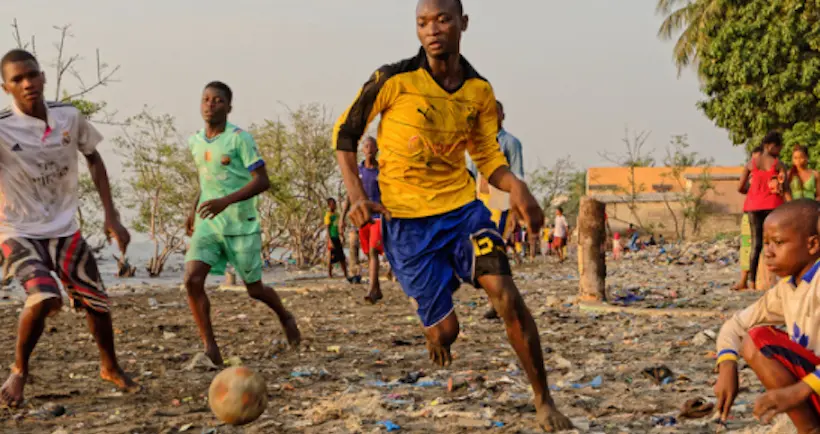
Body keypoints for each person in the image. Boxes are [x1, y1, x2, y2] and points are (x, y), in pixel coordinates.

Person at [331, 0, 572, 430]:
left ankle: (544, 401)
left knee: (507, 295)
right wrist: (356, 196)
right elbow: (346, 134)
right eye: (422, 22)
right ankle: (437, 320)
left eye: (442, 19)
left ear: (463, 23)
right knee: (446, 334)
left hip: (462, 214)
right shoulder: (392, 79)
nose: (432, 30)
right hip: (407, 226)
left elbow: (488, 158)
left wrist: (516, 185)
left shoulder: (479, 91)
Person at [0, 49, 138, 406]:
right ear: (6, 87)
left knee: (98, 301)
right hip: (17, 229)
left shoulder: (68, 117)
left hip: (63, 227)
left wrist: (111, 216)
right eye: (17, 79)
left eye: (32, 75)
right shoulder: (1, 127)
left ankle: (110, 366)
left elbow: (93, 158)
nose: (27, 83)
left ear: (43, 77)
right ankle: (19, 371)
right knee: (45, 296)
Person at [183, 81, 300, 365]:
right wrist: (193, 208)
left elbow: (262, 180)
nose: (210, 105)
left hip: (240, 224)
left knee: (254, 289)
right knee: (192, 280)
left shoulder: (240, 139)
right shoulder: (195, 141)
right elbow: (207, 179)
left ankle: (285, 316)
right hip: (208, 223)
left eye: (218, 100)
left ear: (229, 107)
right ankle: (211, 348)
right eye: (206, 99)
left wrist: (227, 201)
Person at [714, 199, 820, 432]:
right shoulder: (786, 289)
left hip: (812, 387)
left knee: (758, 339)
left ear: (812, 244)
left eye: (778, 243)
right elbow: (735, 326)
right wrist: (727, 364)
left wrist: (798, 391)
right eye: (766, 243)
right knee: (753, 339)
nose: (768, 252)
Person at [738, 132, 787, 291]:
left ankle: (752, 282)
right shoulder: (778, 165)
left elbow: (740, 187)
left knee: (756, 243)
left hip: (753, 206)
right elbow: (784, 187)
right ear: (771, 146)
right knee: (775, 242)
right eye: (778, 147)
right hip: (773, 206)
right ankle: (777, 278)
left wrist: (753, 192)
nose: (779, 150)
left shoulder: (751, 164)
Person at [354, 136, 386, 303]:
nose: (367, 149)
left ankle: (372, 289)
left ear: (376, 150)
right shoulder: (358, 171)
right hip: (363, 217)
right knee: (367, 253)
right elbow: (350, 194)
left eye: (371, 146)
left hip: (377, 217)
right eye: (365, 146)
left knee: (374, 251)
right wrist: (343, 217)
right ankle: (377, 286)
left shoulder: (381, 171)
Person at [734, 146, 763, 291]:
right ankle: (744, 280)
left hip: (765, 211)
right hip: (750, 211)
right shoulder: (750, 172)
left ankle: (758, 280)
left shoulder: (771, 171)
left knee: (761, 247)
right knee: (747, 246)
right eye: (754, 158)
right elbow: (740, 187)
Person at [325, 198, 354, 282]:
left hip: (337, 237)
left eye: (335, 204)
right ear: (329, 205)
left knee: (342, 257)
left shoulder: (337, 215)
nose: (334, 205)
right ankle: (329, 274)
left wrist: (342, 235)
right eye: (332, 204)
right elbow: (327, 228)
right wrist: (329, 240)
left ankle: (346, 274)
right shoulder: (328, 215)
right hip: (332, 238)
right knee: (331, 257)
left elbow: (339, 226)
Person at [339, 197, 362, 281]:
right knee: (353, 248)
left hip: (370, 221)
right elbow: (347, 201)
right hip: (355, 224)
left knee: (371, 250)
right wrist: (341, 219)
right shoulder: (353, 185)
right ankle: (354, 274)